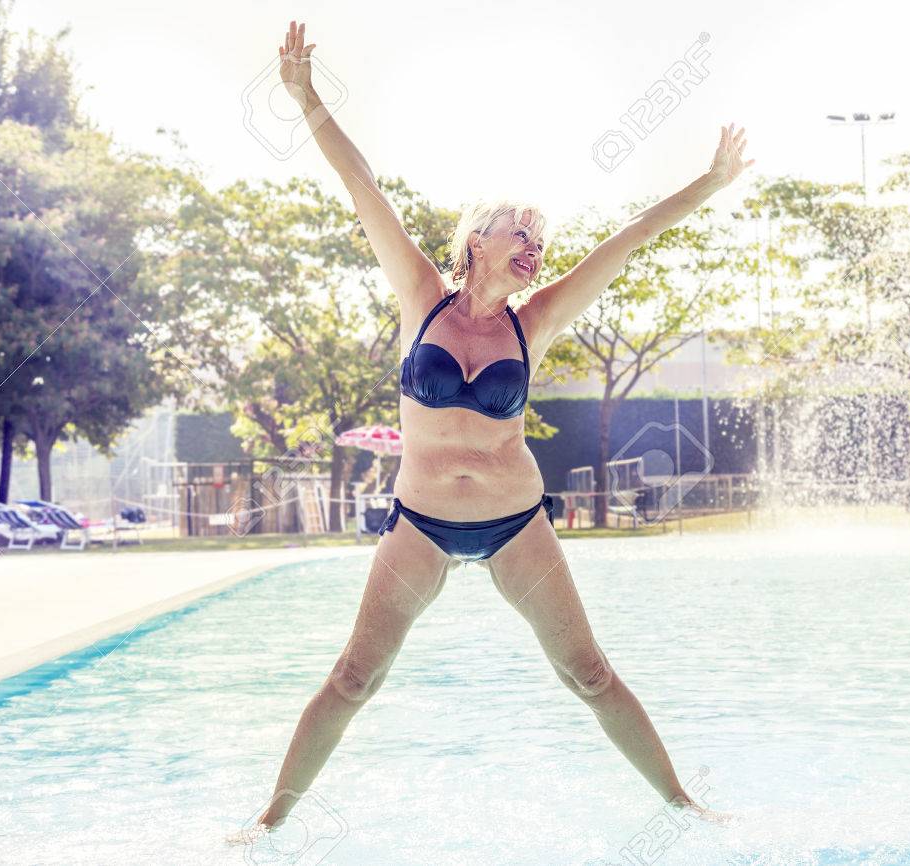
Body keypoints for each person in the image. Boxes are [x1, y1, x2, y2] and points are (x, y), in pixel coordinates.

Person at [245, 19, 753, 836]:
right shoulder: (421, 298)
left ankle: (686, 808)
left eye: (541, 240)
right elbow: (361, 184)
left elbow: (628, 242)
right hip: (421, 523)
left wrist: (705, 184)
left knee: (588, 674)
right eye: (523, 232)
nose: (537, 247)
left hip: (516, 524)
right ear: (477, 240)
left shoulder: (535, 322)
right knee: (352, 678)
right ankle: (268, 825)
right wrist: (306, 100)